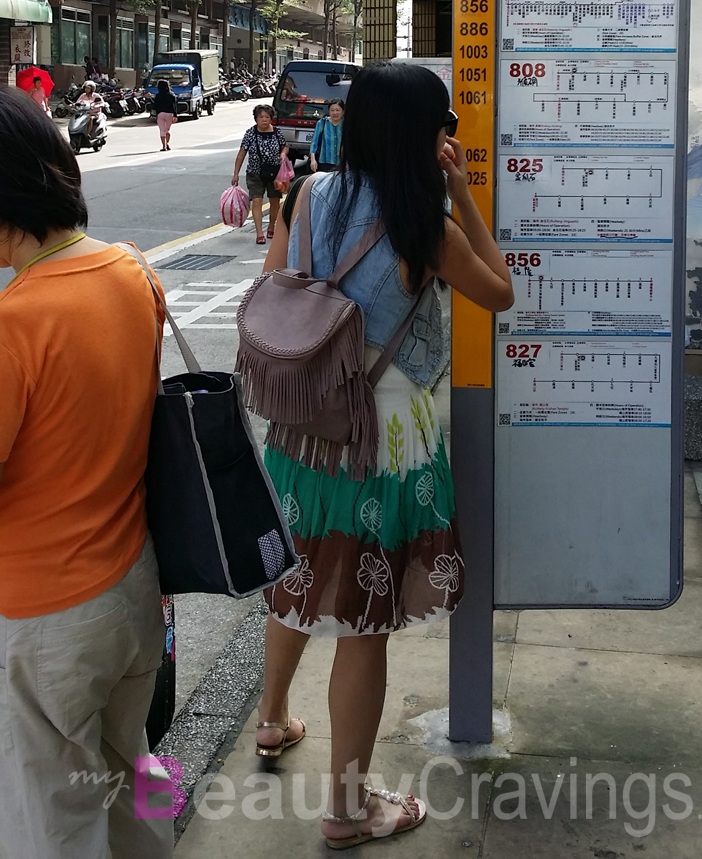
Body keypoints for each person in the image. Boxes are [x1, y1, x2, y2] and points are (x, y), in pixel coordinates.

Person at [256, 61, 514, 846]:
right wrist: (464, 192)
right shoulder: (423, 224)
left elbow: (274, 292)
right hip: (383, 441)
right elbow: (500, 291)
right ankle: (345, 808)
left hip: (303, 433)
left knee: (301, 574)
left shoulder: (306, 195)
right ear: (425, 137)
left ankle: (270, 719)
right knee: (364, 623)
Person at [0, 88, 171, 859]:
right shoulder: (131, 272)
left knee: (53, 822)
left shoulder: (17, 323)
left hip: (42, 619)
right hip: (131, 587)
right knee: (131, 775)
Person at [231, 103, 290, 245]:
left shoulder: (276, 132)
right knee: (256, 201)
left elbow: (285, 145)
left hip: (274, 173)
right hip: (254, 173)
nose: (264, 119)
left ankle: (271, 227)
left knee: (274, 201)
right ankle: (259, 233)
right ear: (256, 119)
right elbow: (241, 154)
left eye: (267, 117)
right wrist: (236, 174)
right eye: (261, 117)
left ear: (271, 119)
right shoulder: (250, 133)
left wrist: (283, 154)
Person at [310, 98, 344, 172]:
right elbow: (314, 143)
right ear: (329, 111)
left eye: (337, 110)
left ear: (342, 111)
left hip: (341, 162)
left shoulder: (346, 125)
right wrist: (313, 160)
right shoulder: (322, 123)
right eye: (332, 110)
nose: (335, 113)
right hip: (324, 162)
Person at [153, 76, 178, 152]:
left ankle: (164, 146)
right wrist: (175, 115)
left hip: (160, 114)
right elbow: (175, 106)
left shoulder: (158, 96)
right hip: (169, 114)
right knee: (167, 130)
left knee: (162, 130)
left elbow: (155, 106)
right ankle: (167, 144)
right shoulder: (172, 95)